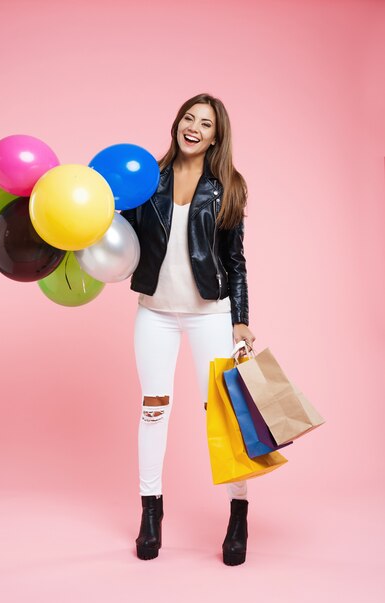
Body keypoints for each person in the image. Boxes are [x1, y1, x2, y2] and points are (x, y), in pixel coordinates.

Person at [121, 93, 256, 566]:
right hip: (154, 312)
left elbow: (235, 262)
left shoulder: (228, 187)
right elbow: (115, 234)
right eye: (188, 117)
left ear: (216, 136)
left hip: (210, 315)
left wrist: (240, 319)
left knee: (225, 416)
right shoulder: (145, 181)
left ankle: (238, 514)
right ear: (177, 122)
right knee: (153, 410)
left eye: (206, 123)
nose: (194, 127)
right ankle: (151, 513)